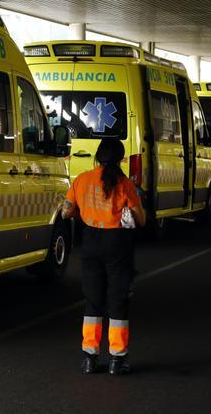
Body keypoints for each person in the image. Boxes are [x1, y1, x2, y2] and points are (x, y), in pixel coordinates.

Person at [62, 138, 146, 375]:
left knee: (93, 300)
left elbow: (66, 211)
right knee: (118, 300)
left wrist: (83, 210)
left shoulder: (81, 180)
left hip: (90, 243)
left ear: (97, 156)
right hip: (118, 245)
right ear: (120, 159)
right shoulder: (124, 184)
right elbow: (141, 220)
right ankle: (117, 360)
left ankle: (89, 357)